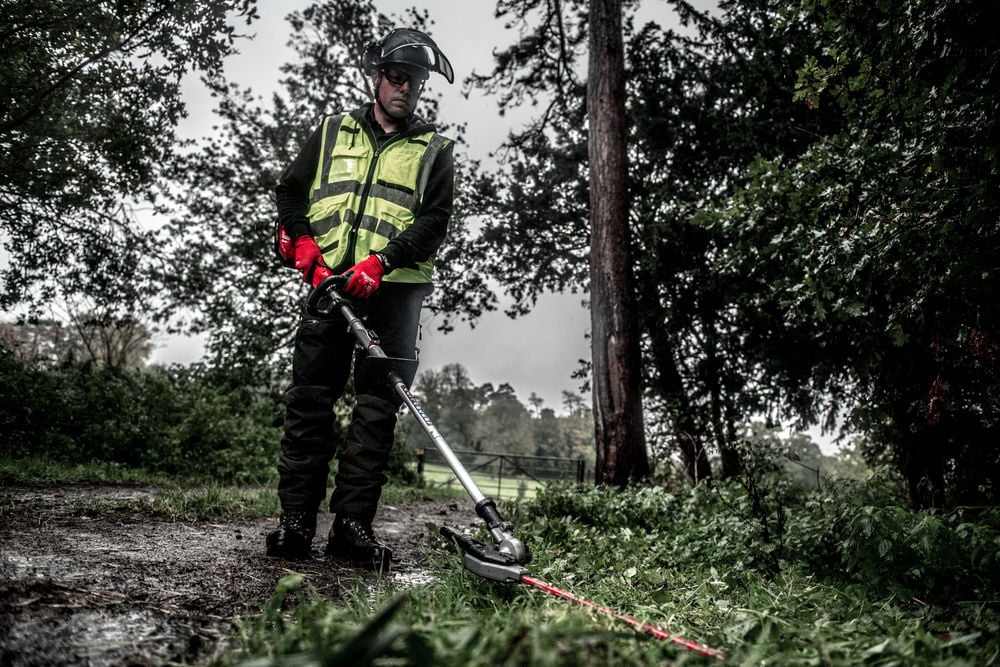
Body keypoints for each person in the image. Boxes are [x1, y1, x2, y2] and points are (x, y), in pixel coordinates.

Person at [265, 28, 455, 571]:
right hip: (329, 288)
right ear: (377, 78)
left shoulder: (435, 150)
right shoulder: (331, 132)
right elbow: (289, 192)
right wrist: (300, 239)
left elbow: (435, 221)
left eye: (414, 82)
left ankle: (351, 528)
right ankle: (296, 522)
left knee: (376, 413)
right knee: (309, 403)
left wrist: (382, 262)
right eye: (397, 77)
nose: (405, 89)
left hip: (396, 295)